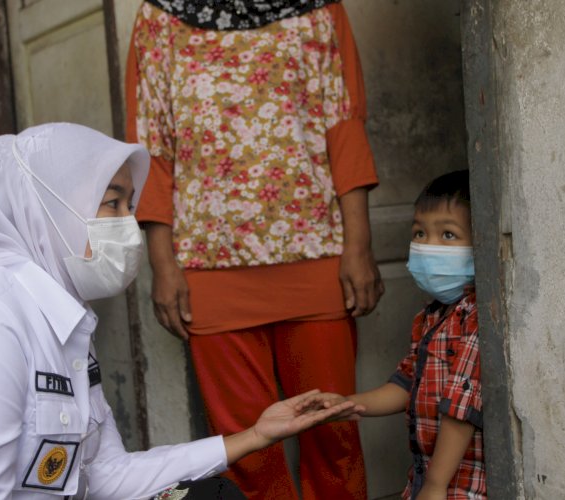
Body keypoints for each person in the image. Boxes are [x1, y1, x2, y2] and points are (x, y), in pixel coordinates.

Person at [0, 123, 361, 499]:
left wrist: (254, 435)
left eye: (130, 205)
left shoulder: (57, 314)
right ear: (48, 211)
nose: (129, 226)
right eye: (112, 204)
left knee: (212, 494)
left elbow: (103, 474)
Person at [126, 1, 383, 497]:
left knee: (334, 435)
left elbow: (343, 123)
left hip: (317, 256)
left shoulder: (318, 8)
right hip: (207, 266)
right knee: (248, 452)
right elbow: (151, 142)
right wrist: (162, 264)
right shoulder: (161, 15)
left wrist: (359, 245)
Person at [303, 170, 486, 499]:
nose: (427, 246)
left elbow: (461, 409)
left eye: (447, 235)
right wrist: (348, 404)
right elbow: (406, 384)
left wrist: (435, 485)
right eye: (419, 232)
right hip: (426, 478)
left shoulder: (475, 318)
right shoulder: (430, 316)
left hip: (460, 486)